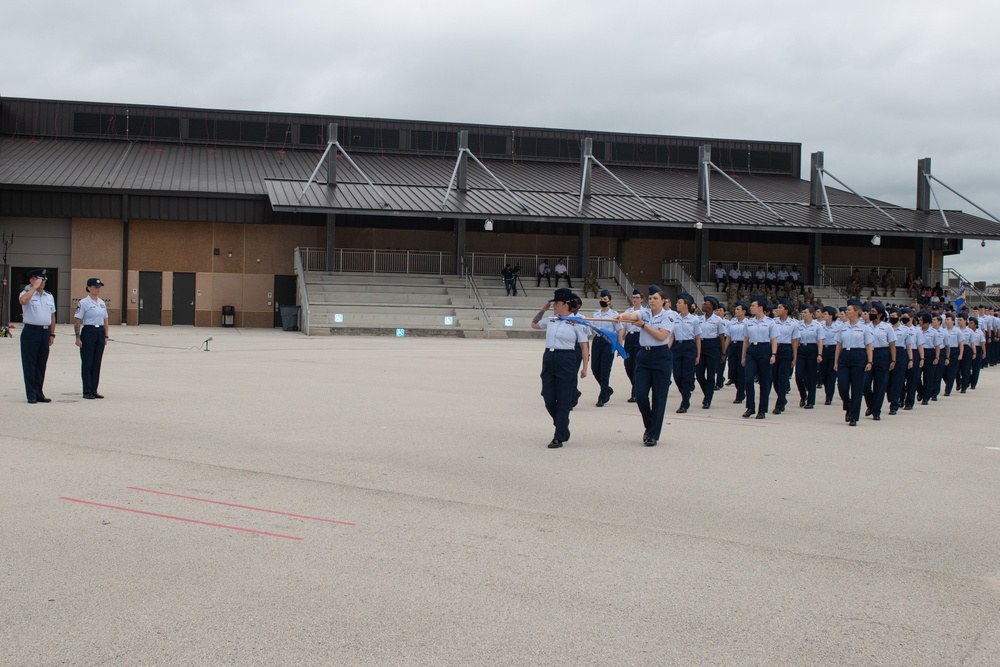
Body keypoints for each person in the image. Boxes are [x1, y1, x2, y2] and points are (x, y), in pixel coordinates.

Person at [614, 285, 674, 446]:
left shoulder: (669, 316)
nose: (652, 301)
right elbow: (632, 315)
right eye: (651, 298)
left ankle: (653, 434)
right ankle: (650, 426)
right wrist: (621, 316)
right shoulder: (645, 313)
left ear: (663, 301)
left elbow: (662, 336)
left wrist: (643, 326)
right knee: (640, 395)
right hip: (644, 356)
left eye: (656, 298)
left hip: (661, 355)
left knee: (659, 398)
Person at [531, 288, 589, 449]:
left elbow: (584, 346)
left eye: (556, 303)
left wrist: (585, 367)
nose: (554, 305)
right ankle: (562, 424)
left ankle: (558, 436)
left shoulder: (577, 322)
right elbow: (534, 324)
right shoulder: (552, 319)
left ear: (565, 304)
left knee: (563, 399)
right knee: (548, 396)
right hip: (549, 358)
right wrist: (543, 310)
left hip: (566, 359)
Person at [19, 269, 57, 404]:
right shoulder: (26, 293)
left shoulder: (49, 296)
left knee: (41, 364)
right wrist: (34, 287)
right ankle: (31, 393)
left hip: (45, 332)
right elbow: (23, 301)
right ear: (32, 279)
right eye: (40, 279)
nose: (42, 282)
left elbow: (52, 316)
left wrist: (52, 333)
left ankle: (39, 392)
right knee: (30, 363)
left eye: (44, 279)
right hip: (31, 331)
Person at [834, 300, 874, 426]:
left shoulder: (864, 328)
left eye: (849, 310)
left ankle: (854, 416)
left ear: (856, 312)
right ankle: (848, 405)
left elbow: (868, 346)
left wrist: (870, 361)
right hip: (845, 356)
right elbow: (839, 345)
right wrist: (836, 361)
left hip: (859, 356)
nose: (846, 311)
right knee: (842, 387)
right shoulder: (843, 327)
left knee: (857, 388)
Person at [741, 296, 777, 419]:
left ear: (760, 308)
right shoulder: (749, 322)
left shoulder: (770, 322)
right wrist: (743, 357)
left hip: (764, 349)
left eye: (753, 306)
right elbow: (746, 341)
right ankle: (750, 407)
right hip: (752, 350)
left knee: (764, 381)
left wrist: (773, 354)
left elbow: (773, 340)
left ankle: (762, 409)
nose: (751, 308)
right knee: (748, 379)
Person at [74, 277, 110, 399]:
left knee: (97, 361)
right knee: (87, 362)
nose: (98, 289)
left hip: (99, 331)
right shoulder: (84, 303)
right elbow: (78, 320)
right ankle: (87, 390)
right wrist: (77, 338)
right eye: (95, 287)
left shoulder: (101, 303)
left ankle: (94, 389)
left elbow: (105, 320)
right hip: (89, 331)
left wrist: (106, 335)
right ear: (89, 288)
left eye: (99, 287)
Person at [862, 302, 896, 420]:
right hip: (869, 354)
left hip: (882, 354)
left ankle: (876, 410)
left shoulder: (887, 327)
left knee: (880, 385)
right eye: (871, 312)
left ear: (880, 314)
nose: (871, 314)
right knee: (865, 383)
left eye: (873, 313)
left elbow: (892, 344)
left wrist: (893, 360)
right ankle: (870, 405)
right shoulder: (866, 326)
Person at [590, 289, 622, 407]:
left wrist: (619, 346)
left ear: (610, 301)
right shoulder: (596, 313)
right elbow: (592, 328)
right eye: (601, 299)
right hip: (597, 340)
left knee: (605, 369)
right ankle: (607, 388)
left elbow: (619, 330)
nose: (603, 301)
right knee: (595, 368)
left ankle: (602, 396)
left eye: (605, 300)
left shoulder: (614, 315)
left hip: (608, 341)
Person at [671, 293, 701, 413]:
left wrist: (698, 355)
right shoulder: (675, 318)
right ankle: (685, 394)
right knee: (677, 375)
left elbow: (697, 338)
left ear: (686, 305)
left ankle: (685, 400)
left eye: (679, 303)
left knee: (687, 376)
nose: (677, 304)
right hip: (677, 346)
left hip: (689, 346)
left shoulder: (694, 320)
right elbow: (671, 335)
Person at [770, 298, 800, 415]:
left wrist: (795, 357)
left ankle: (780, 403)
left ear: (786, 310)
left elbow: (794, 341)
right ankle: (782, 397)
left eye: (780, 307)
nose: (777, 310)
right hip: (774, 349)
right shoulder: (773, 322)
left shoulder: (793, 323)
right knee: (775, 378)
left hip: (786, 349)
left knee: (783, 377)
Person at [695, 296, 725, 409]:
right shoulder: (699, 319)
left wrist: (723, 353)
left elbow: (722, 338)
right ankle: (707, 392)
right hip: (701, 345)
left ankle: (708, 399)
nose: (703, 306)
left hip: (713, 346)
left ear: (712, 306)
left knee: (711, 374)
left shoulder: (718, 320)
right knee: (699, 374)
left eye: (706, 304)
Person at [795, 304, 823, 409]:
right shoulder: (799, 325)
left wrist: (820, 354)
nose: (803, 314)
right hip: (801, 349)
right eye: (802, 312)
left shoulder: (817, 325)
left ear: (811, 314)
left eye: (805, 312)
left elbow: (820, 340)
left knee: (812, 376)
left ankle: (810, 401)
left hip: (812, 349)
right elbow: (796, 340)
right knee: (798, 376)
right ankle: (803, 395)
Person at [619, 289, 644, 403]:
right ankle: (637, 387)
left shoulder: (645, 312)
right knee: (628, 365)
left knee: (636, 365)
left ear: (642, 299)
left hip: (639, 338)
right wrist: (620, 345)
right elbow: (623, 329)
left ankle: (635, 393)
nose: (635, 299)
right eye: (633, 297)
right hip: (630, 338)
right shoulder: (628, 311)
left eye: (637, 297)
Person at [726, 300, 748, 404]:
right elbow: (728, 337)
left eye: (738, 309)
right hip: (733, 346)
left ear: (744, 311)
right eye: (735, 309)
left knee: (741, 371)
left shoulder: (747, 323)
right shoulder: (732, 322)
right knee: (733, 372)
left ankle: (739, 394)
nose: (736, 311)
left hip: (743, 346)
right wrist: (724, 350)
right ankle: (740, 389)